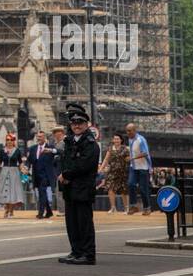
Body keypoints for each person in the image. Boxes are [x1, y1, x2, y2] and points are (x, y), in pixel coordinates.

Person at [57, 105, 100, 265]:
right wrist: (65, 175)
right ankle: (76, 251)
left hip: (83, 187)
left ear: (86, 124)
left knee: (84, 223)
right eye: (74, 122)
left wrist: (66, 175)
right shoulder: (69, 141)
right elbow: (66, 161)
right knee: (72, 223)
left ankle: (88, 254)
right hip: (70, 188)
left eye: (80, 122)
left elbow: (84, 165)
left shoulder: (90, 143)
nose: (76, 125)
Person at [27, 130, 58, 219]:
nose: (38, 138)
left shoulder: (50, 147)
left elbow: (58, 155)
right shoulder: (32, 148)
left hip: (46, 175)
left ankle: (40, 212)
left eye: (40, 137)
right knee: (42, 193)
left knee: (42, 193)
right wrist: (26, 167)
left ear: (45, 138)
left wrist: (52, 151)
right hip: (36, 175)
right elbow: (29, 161)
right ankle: (49, 212)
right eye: (38, 137)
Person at [0, 133, 24, 217]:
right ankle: (7, 209)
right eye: (7, 140)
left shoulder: (17, 150)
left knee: (12, 191)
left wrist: (23, 169)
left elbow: (20, 162)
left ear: (13, 141)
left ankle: (10, 210)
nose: (9, 141)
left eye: (11, 140)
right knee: (5, 190)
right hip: (5, 171)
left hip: (14, 172)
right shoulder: (3, 150)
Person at [99, 132, 131, 213]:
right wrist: (101, 168)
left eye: (117, 139)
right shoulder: (110, 149)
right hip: (112, 172)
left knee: (124, 190)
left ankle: (126, 208)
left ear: (121, 140)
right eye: (115, 139)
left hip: (123, 172)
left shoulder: (125, 149)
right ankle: (113, 207)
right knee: (110, 188)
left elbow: (128, 159)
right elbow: (106, 159)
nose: (116, 140)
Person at [125, 123, 153, 214]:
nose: (127, 133)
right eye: (127, 131)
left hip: (143, 167)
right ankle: (133, 206)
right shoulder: (130, 139)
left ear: (134, 130)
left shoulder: (141, 140)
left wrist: (132, 158)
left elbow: (145, 153)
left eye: (129, 131)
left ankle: (147, 208)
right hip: (133, 166)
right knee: (130, 184)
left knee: (143, 189)